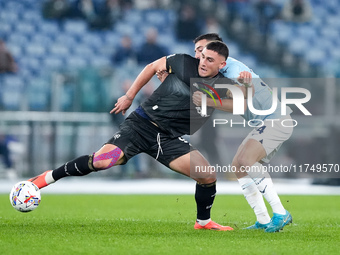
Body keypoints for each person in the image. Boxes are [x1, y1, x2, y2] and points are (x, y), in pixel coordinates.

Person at [27, 41, 234, 231]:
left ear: (222, 64)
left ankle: (203, 222)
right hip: (140, 125)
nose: (203, 62)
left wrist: (212, 102)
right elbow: (151, 67)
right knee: (101, 162)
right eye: (202, 56)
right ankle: (46, 178)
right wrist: (129, 96)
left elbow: (241, 105)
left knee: (207, 175)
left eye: (209, 59)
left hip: (167, 138)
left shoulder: (222, 84)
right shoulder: (182, 61)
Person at [157, 33, 293, 232]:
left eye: (203, 52)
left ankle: (281, 213)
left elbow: (239, 102)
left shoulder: (233, 72)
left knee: (246, 161)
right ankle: (263, 219)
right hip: (264, 122)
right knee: (238, 166)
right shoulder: (215, 72)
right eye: (197, 52)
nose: (198, 56)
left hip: (276, 120)